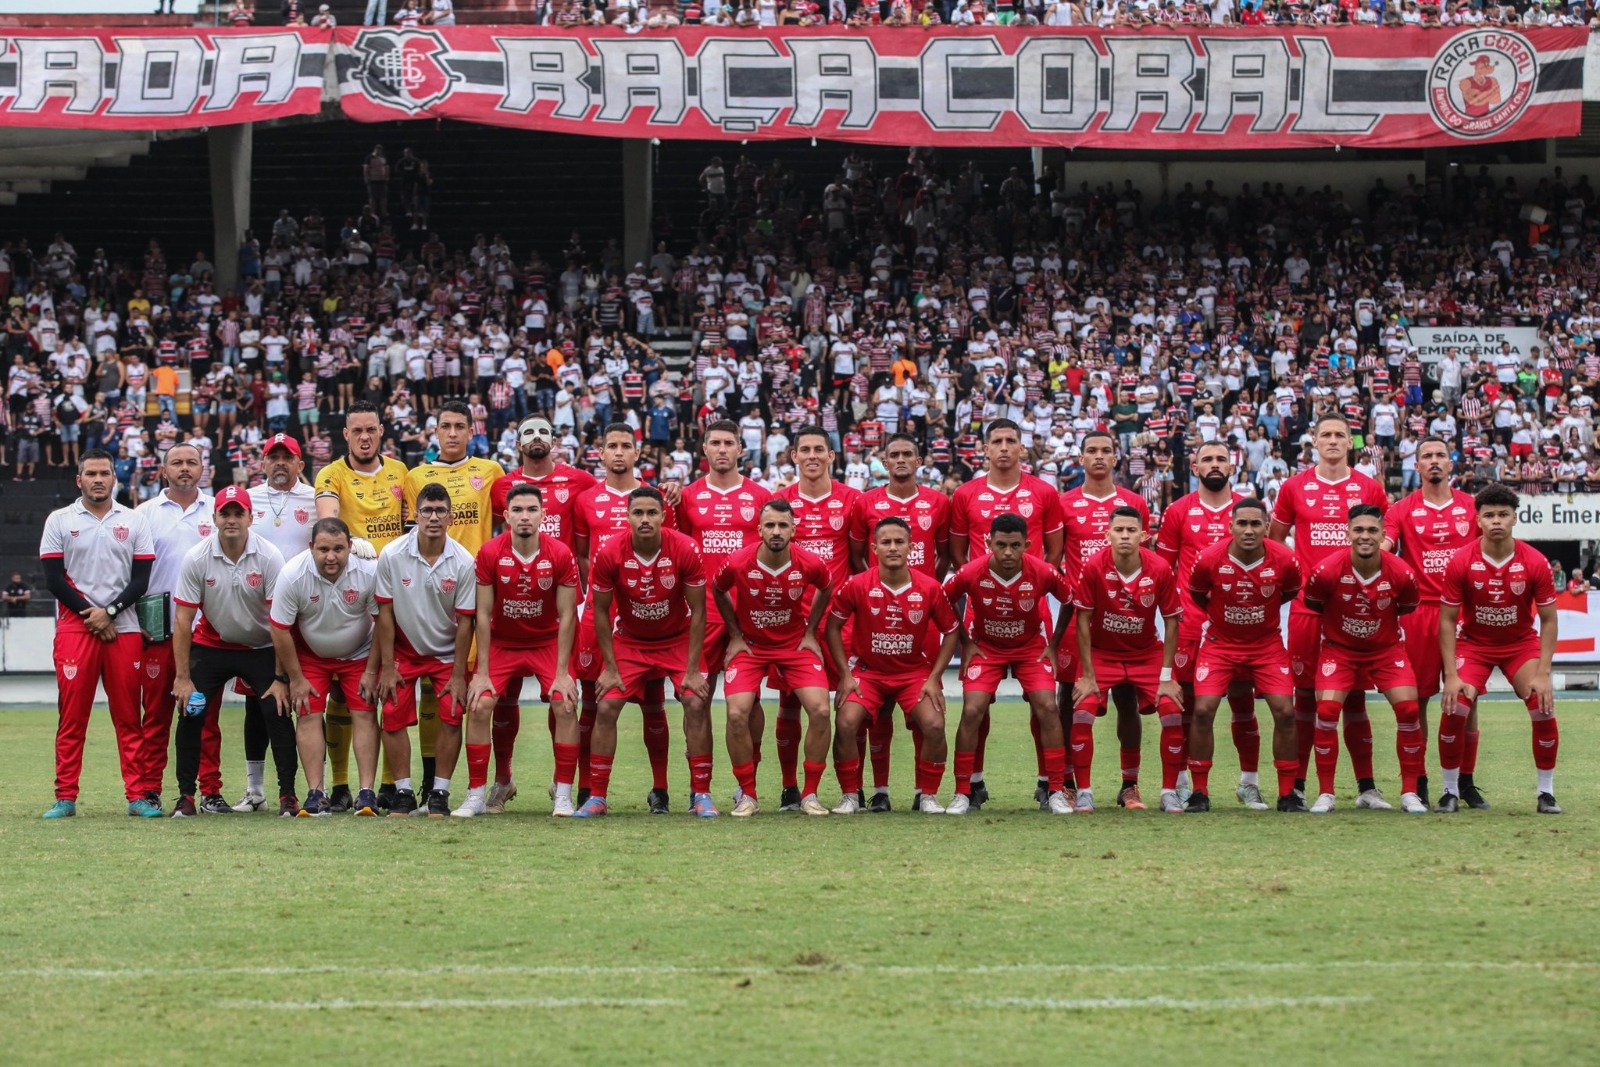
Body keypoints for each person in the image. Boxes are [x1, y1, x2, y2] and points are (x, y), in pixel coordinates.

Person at [1269, 413, 1389, 802]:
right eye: (1326, 435)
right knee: (1305, 697)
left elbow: (1386, 538)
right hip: (1309, 608)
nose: (1334, 440)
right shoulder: (1293, 487)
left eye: (1340, 435)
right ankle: (1299, 785)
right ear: (1315, 442)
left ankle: (1366, 787)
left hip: (1356, 608)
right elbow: (1275, 541)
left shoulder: (1369, 487)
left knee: (1354, 698)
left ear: (1351, 443)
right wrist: (1296, 578)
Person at [579, 487, 716, 818]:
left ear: (663, 516)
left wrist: (693, 669)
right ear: (627, 516)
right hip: (631, 641)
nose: (644, 519)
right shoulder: (610, 552)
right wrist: (610, 667)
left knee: (696, 702)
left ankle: (701, 794)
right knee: (606, 705)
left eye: (651, 513)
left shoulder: (685, 548)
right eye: (637, 513)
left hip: (677, 639)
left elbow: (699, 610)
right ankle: (597, 796)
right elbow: (601, 612)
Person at [948, 418, 1063, 805]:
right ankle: (972, 784)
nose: (1003, 447)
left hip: (1032, 614)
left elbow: (1054, 552)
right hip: (982, 618)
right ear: (985, 449)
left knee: (1042, 702)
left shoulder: (1044, 492)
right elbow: (959, 556)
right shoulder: (965, 494)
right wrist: (987, 586)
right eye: (996, 441)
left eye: (1010, 440)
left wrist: (1030, 584)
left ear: (1021, 447)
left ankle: (1049, 783)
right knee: (976, 706)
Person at [484, 415, 596, 808]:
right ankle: (503, 779)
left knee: (561, 694)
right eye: (528, 432)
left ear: (554, 441)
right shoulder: (502, 485)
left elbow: (607, 509)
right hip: (512, 604)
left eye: (543, 432)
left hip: (560, 605)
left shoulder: (581, 481)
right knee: (502, 699)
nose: (536, 438)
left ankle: (560, 784)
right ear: (517, 443)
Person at [38, 450, 154, 818]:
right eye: (91, 473)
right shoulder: (59, 520)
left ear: (115, 478)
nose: (98, 479)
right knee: (73, 718)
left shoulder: (135, 520)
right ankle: (65, 797)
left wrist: (111, 613)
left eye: (105, 473)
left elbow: (141, 580)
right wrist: (94, 616)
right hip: (76, 627)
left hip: (125, 627)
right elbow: (54, 579)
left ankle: (137, 796)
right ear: (79, 480)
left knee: (128, 717)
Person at [170, 486, 295, 818]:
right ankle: (186, 797)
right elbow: (182, 620)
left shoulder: (269, 556)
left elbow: (280, 622)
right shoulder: (197, 557)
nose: (231, 519)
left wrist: (281, 677)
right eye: (225, 513)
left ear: (251, 518)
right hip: (213, 644)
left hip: (261, 646)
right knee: (191, 711)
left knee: (278, 711)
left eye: (238, 513)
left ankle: (288, 796)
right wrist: (182, 678)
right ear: (214, 518)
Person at [1154, 440, 1265, 809]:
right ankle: (1183, 783)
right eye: (1207, 459)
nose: (1215, 464)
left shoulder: (1248, 509)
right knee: (1188, 708)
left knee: (1243, 705)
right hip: (1191, 625)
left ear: (1232, 467)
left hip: (1240, 625)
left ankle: (1249, 783)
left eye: (1221, 459)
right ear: (1195, 467)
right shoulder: (1177, 511)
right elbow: (1163, 570)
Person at [572, 424, 677, 812]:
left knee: (654, 701)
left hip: (646, 610)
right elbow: (582, 556)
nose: (618, 452)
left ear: (637, 453)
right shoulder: (585, 500)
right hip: (599, 609)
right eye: (611, 446)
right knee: (592, 700)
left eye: (625, 446)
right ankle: (589, 789)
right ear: (600, 453)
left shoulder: (656, 498)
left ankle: (660, 789)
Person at [1438, 484, 1562, 814]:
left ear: (1514, 519)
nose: (1496, 521)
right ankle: (1450, 791)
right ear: (1478, 520)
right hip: (1474, 644)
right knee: (1455, 705)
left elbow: (1549, 620)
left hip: (1519, 645)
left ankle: (1546, 793)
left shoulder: (1534, 561)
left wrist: (1544, 673)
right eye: (1490, 515)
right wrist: (1450, 675)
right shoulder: (1461, 560)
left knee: (1541, 704)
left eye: (1503, 515)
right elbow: (1447, 620)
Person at [401, 400, 502, 800]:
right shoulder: (416, 477)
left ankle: (483, 783)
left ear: (472, 431)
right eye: (446, 426)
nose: (454, 433)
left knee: (466, 696)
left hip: (474, 595)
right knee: (430, 691)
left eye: (461, 426)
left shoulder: (490, 471)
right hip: (426, 596)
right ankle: (429, 783)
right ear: (436, 431)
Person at [825, 517, 960, 815]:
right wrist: (845, 675)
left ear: (911, 547)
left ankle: (928, 796)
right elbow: (832, 627)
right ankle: (850, 796)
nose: (893, 548)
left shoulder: (929, 587)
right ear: (874, 549)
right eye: (885, 542)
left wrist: (934, 677)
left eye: (900, 542)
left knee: (935, 724)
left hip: (913, 673)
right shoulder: (857, 584)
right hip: (868, 672)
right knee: (845, 722)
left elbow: (952, 631)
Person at [461, 484, 580, 817]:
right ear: (506, 516)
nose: (524, 516)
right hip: (503, 642)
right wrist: (482, 672)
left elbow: (567, 615)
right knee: (479, 704)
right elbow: (482, 615)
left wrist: (563, 673)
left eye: (531, 510)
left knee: (565, 703)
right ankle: (475, 794)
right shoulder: (489, 552)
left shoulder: (560, 553)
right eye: (517, 510)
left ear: (543, 515)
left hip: (546, 641)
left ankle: (563, 793)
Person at [943, 513, 1073, 815]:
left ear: (1027, 544)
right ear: (989, 543)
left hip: (1031, 647)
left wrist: (1053, 645)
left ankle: (1055, 789)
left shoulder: (1042, 571)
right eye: (1001, 545)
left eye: (1015, 546)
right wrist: (966, 641)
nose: (1008, 553)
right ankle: (963, 791)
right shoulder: (971, 572)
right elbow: (944, 599)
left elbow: (1069, 599)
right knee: (972, 709)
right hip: (986, 647)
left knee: (1047, 706)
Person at [847, 432, 950, 808]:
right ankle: (879, 791)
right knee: (875, 711)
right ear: (884, 461)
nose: (902, 459)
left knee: (926, 707)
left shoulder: (938, 501)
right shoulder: (865, 502)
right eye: (895, 454)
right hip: (876, 615)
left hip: (922, 619)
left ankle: (925, 792)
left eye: (909, 453)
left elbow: (945, 555)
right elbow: (857, 555)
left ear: (919, 460)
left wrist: (924, 587)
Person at [712, 498, 833, 816]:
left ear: (793, 529)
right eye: (770, 525)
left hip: (794, 646)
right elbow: (717, 588)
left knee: (821, 710)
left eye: (782, 525)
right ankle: (748, 795)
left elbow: (826, 586)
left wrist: (811, 632)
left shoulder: (809, 562)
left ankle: (810, 794)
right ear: (759, 529)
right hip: (751, 647)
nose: (776, 531)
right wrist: (735, 634)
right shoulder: (738, 561)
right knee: (737, 714)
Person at [1302, 505, 1426, 814]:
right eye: (1358, 530)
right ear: (1347, 534)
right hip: (1339, 650)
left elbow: (1407, 606)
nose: (1365, 536)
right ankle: (1326, 793)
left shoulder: (1401, 572)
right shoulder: (1326, 570)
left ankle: (1410, 793)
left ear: (1383, 535)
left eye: (1372, 530)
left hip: (1386, 651)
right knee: (1326, 711)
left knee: (1409, 710)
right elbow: (1315, 603)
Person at [1187, 498, 1307, 813]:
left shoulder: (1285, 559)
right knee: (1203, 710)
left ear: (1267, 526)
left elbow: (1289, 592)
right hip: (1220, 645)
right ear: (1231, 527)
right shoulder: (1209, 559)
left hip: (1266, 645)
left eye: (1256, 524)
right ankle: (1199, 792)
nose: (1249, 530)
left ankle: (1287, 793)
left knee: (1285, 711)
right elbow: (1197, 594)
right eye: (1242, 523)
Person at [1060, 431, 1157, 808]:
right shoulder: (1064, 503)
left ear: (1116, 458)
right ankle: (1066, 782)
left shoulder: (1134, 502)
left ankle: (1129, 784)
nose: (1098, 456)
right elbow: (1055, 557)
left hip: (1126, 617)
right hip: (1080, 618)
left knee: (1127, 698)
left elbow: (1148, 558)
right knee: (1069, 699)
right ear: (1081, 458)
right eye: (1091, 451)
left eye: (1105, 450)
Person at [1382, 436, 1478, 808]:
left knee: (1467, 698)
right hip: (1419, 613)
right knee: (1417, 700)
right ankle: (1418, 781)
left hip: (1463, 612)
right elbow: (1386, 548)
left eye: (1441, 455)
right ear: (1417, 465)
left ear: (1451, 464)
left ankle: (1464, 782)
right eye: (1427, 456)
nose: (1434, 460)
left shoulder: (1472, 506)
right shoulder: (1401, 509)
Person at [1069, 507, 1185, 814]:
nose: (1124, 536)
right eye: (1118, 530)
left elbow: (1172, 622)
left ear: (1143, 535)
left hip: (1145, 653)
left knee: (1172, 712)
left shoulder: (1159, 568)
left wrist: (1166, 676)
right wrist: (1088, 675)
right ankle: (1084, 793)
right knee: (1082, 711)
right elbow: (1083, 620)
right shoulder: (1094, 566)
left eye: (1131, 530)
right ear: (1107, 534)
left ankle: (1168, 792)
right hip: (1102, 653)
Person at [371, 482, 476, 817]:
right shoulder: (392, 554)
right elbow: (384, 612)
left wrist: (458, 675)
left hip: (446, 653)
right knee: (391, 713)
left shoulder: (464, 561)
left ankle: (439, 792)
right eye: (427, 511)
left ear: (451, 517)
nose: (433, 517)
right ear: (416, 516)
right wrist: (388, 666)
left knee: (453, 714)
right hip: (404, 650)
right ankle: (403, 791)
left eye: (440, 511)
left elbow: (466, 622)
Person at [768, 427, 857, 810]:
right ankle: (791, 788)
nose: (812, 456)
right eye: (804, 450)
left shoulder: (853, 501)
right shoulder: (780, 503)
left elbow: (858, 558)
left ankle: (852, 789)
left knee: (850, 705)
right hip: (791, 622)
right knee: (789, 704)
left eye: (819, 449)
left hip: (839, 622)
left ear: (831, 456)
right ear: (794, 456)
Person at [268, 518, 380, 816]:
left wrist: (372, 671)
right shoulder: (292, 575)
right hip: (311, 656)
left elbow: (383, 622)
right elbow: (279, 629)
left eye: (338, 549)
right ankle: (316, 793)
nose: (331, 557)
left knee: (365, 713)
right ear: (311, 547)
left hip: (360, 653)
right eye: (324, 549)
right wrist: (295, 679)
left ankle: (367, 793)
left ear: (350, 547)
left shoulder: (369, 571)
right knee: (307, 714)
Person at [133, 444, 214, 816]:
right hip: (158, 631)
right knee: (156, 715)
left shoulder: (217, 511)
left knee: (204, 716)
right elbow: (130, 573)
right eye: (177, 463)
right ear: (163, 470)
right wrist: (137, 620)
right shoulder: (144, 514)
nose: (185, 468)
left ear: (202, 468)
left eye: (191, 462)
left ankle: (210, 791)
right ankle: (150, 789)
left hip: (205, 632)